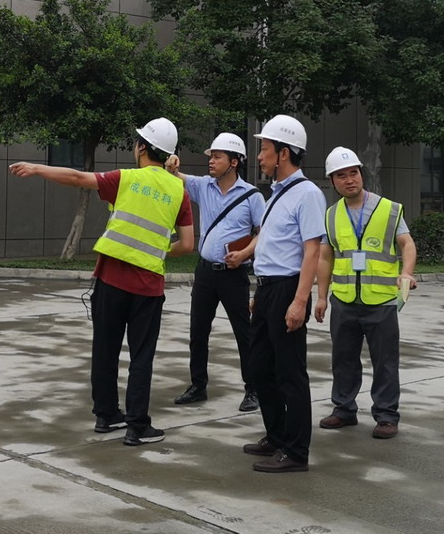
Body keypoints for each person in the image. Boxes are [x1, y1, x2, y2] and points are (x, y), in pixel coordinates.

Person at [9, 118, 194, 446]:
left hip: (110, 279)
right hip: (148, 285)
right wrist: (159, 250)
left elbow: (78, 178)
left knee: (105, 350)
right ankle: (137, 426)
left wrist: (37, 168)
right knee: (141, 357)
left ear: (141, 148)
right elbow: (188, 244)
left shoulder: (125, 179)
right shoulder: (178, 190)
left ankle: (106, 415)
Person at [229, 115, 326, 473]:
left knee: (289, 372)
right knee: (260, 367)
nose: (259, 156)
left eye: (265, 149)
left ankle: (296, 451)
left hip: (288, 288)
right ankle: (276, 435)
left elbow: (311, 252)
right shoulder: (276, 193)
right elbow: (270, 240)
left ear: (283, 153)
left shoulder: (308, 194)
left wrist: (300, 301)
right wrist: (257, 281)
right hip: (268, 288)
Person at [314, 147, 417, 440]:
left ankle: (386, 416)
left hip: (381, 300)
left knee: (385, 362)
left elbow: (407, 244)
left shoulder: (389, 209)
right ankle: (344, 409)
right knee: (343, 359)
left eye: (353, 173)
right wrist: (321, 297)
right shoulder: (331, 215)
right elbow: (325, 257)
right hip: (344, 300)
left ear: (361, 174)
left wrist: (407, 272)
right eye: (341, 176)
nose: (349, 180)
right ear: (332, 181)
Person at [165, 133, 265, 412]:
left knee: (244, 333)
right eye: (211, 156)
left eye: (218, 157)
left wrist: (244, 254)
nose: (211, 161)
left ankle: (254, 388)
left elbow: (263, 232)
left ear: (234, 162)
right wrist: (171, 164)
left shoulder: (252, 196)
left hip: (234, 274)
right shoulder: (202, 186)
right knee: (198, 331)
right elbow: (174, 176)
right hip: (205, 272)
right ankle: (198, 385)